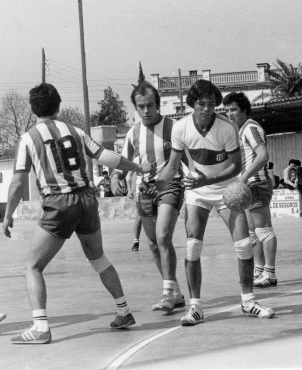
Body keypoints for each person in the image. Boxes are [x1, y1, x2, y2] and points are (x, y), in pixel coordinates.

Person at [2, 83, 149, 344]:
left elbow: (17, 183)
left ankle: (40, 328)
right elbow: (108, 157)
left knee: (33, 267)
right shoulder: (76, 131)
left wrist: (8, 214)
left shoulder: (28, 138)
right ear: (58, 106)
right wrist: (137, 167)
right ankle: (124, 311)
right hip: (86, 198)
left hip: (58, 202)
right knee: (99, 259)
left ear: (33, 108)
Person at [155, 79, 274, 326]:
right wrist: (153, 183)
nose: (207, 108)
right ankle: (195, 307)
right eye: (201, 104)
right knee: (192, 248)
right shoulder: (180, 128)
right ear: (191, 104)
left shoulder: (227, 128)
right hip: (197, 192)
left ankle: (248, 301)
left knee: (244, 245)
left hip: (226, 189)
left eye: (211, 104)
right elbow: (173, 166)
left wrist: (207, 179)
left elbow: (236, 166)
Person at [117, 81, 187, 313]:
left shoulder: (174, 128)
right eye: (141, 106)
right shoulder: (133, 133)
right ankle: (175, 291)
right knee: (153, 244)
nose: (146, 111)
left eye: (150, 105)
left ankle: (167, 293)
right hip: (144, 191)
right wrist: (117, 175)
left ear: (158, 105)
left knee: (163, 236)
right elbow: (123, 161)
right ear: (135, 108)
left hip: (170, 186)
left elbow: (188, 160)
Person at [223, 92, 278, 289]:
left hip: (256, 184)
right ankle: (259, 269)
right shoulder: (240, 130)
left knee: (264, 231)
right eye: (227, 110)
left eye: (234, 110)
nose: (230, 114)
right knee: (252, 232)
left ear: (244, 110)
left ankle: (269, 273)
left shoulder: (251, 128)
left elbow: (263, 156)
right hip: (247, 188)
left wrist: (244, 178)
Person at [126, 168, 142, 251]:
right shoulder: (137, 158)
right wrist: (129, 190)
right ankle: (136, 241)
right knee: (139, 215)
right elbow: (128, 176)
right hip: (140, 188)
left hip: (155, 186)